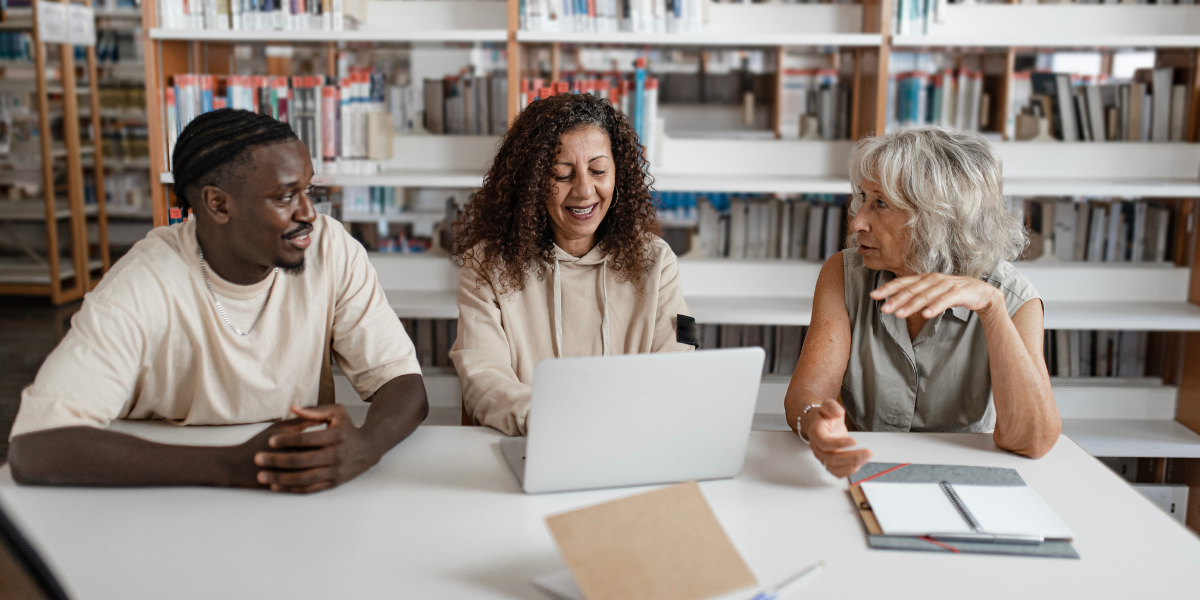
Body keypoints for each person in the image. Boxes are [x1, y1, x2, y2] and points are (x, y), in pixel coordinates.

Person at [8, 109, 428, 493]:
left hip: (293, 497)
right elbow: (36, 447)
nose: (309, 213)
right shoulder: (143, 282)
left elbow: (403, 383)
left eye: (309, 190)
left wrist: (367, 446)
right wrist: (231, 466)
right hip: (161, 500)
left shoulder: (330, 248)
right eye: (284, 197)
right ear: (218, 204)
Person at [784, 126, 1061, 477]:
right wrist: (814, 425)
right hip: (865, 470)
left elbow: (1034, 441)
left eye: (880, 203)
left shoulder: (1012, 297)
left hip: (968, 477)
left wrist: (992, 311)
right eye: (862, 199)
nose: (857, 222)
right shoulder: (844, 273)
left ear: (938, 218)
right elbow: (806, 392)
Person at [450, 92, 693, 436]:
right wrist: (549, 420)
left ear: (618, 174)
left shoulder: (656, 262)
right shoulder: (488, 265)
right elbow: (482, 377)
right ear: (532, 182)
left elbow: (677, 365)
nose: (584, 190)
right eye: (561, 174)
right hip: (533, 443)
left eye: (597, 170)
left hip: (631, 442)